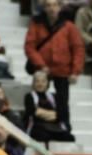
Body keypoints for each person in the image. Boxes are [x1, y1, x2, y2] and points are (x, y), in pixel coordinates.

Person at [24, 0, 84, 130]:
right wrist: (40, 65)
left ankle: (64, 125)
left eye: (55, 5)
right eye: (48, 5)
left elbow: (78, 48)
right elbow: (30, 46)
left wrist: (75, 71)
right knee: (38, 97)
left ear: (60, 7)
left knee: (63, 100)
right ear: (44, 7)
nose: (52, 8)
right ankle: (36, 124)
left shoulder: (69, 26)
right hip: (42, 67)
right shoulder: (36, 23)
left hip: (63, 68)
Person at [24, 69, 75, 143]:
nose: (40, 84)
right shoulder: (29, 96)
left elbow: (60, 114)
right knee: (43, 136)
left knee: (69, 137)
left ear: (47, 83)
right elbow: (33, 113)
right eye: (37, 81)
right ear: (33, 83)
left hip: (54, 127)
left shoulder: (54, 96)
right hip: (37, 126)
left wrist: (42, 113)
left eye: (43, 81)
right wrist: (52, 114)